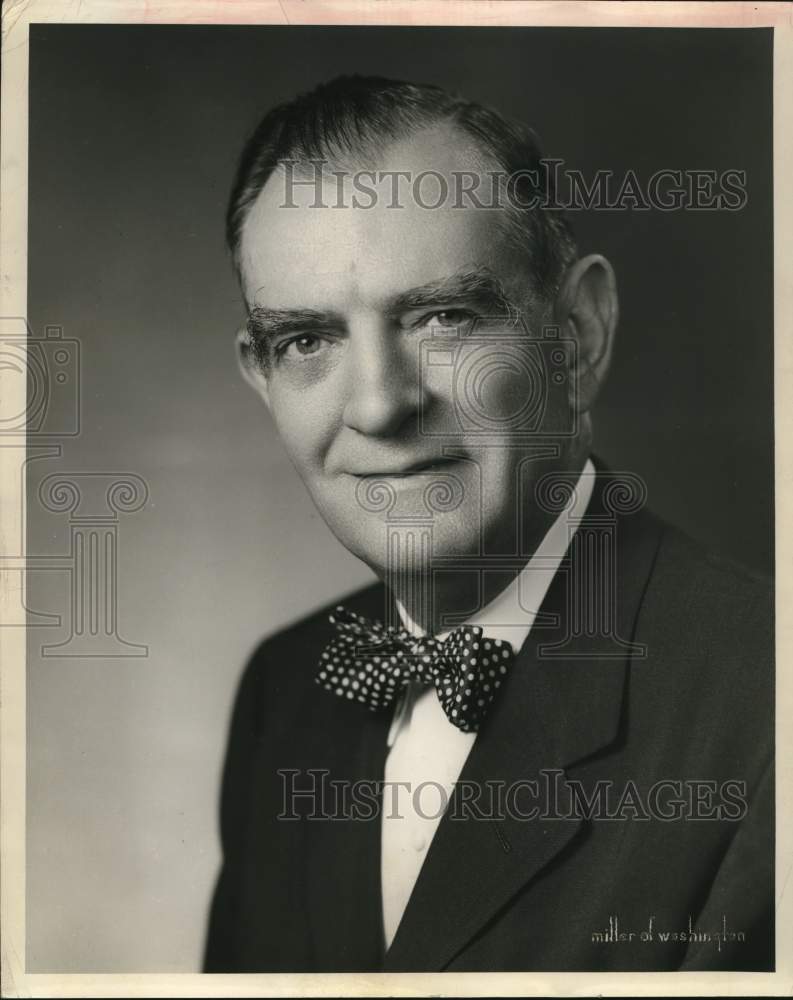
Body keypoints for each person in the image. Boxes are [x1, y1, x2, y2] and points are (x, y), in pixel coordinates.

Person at [203, 75, 773, 972]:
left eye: (442, 317)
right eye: (306, 340)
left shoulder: (765, 707)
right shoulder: (284, 691)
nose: (380, 406)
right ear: (262, 377)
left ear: (576, 334)